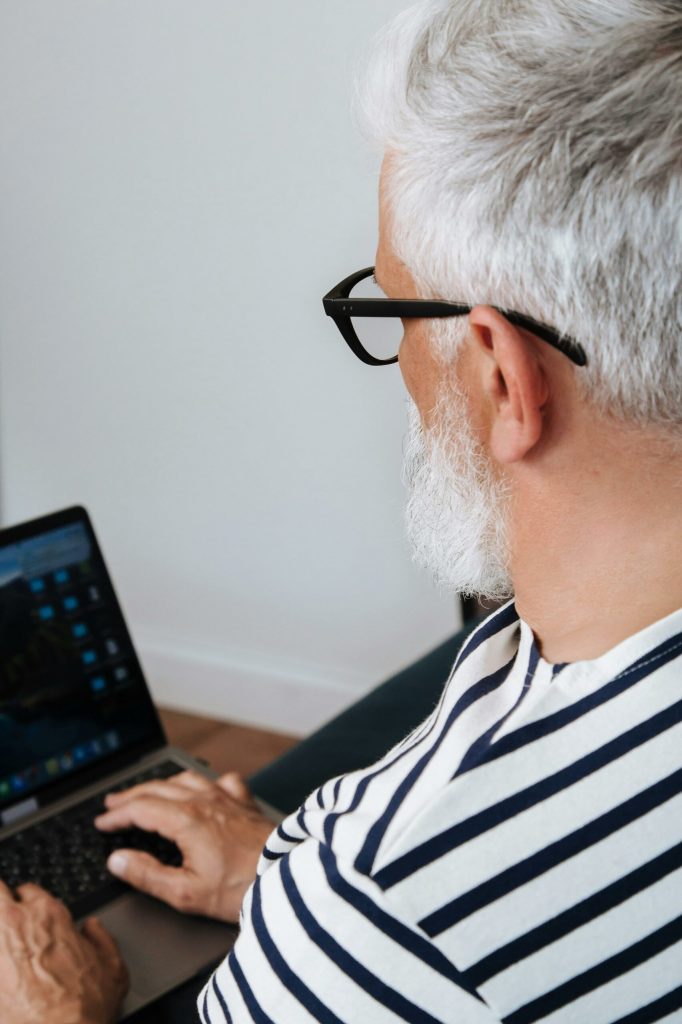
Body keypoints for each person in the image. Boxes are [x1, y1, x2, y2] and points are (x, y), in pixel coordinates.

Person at [2, 0, 681, 1020]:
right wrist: (278, 869)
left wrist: (59, 1008)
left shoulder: (384, 926)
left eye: (390, 306)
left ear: (503, 378)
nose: (396, 363)